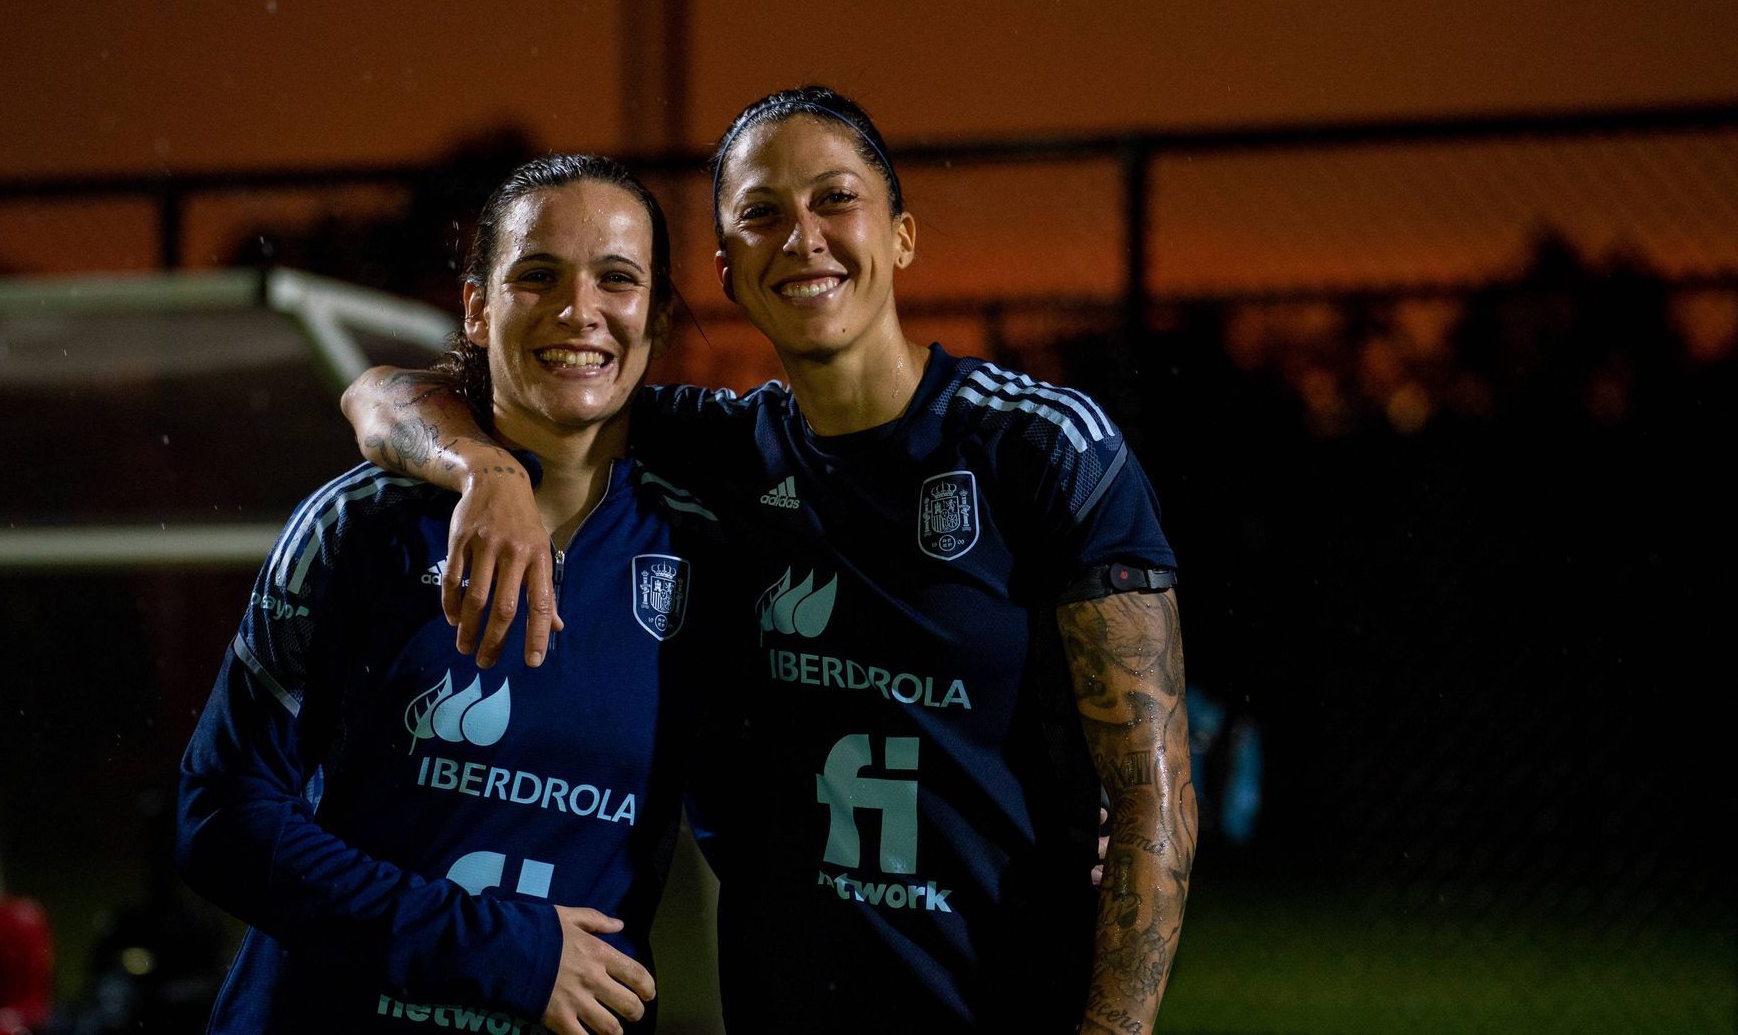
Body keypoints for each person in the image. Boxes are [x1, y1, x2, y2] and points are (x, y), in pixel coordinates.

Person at [342, 87, 1195, 1035]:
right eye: (761, 214)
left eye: (835, 200)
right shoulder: (720, 451)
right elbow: (385, 392)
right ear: (727, 269)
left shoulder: (1040, 449)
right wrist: (485, 470)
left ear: (903, 235)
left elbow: (1152, 801)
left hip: (1003, 1004)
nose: (802, 239)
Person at [178, 154, 722, 1035]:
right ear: (476, 307)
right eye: (537, 275)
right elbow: (220, 819)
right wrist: (499, 949)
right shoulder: (361, 527)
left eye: (616, 280)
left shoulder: (702, 551)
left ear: (655, 316)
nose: (579, 310)